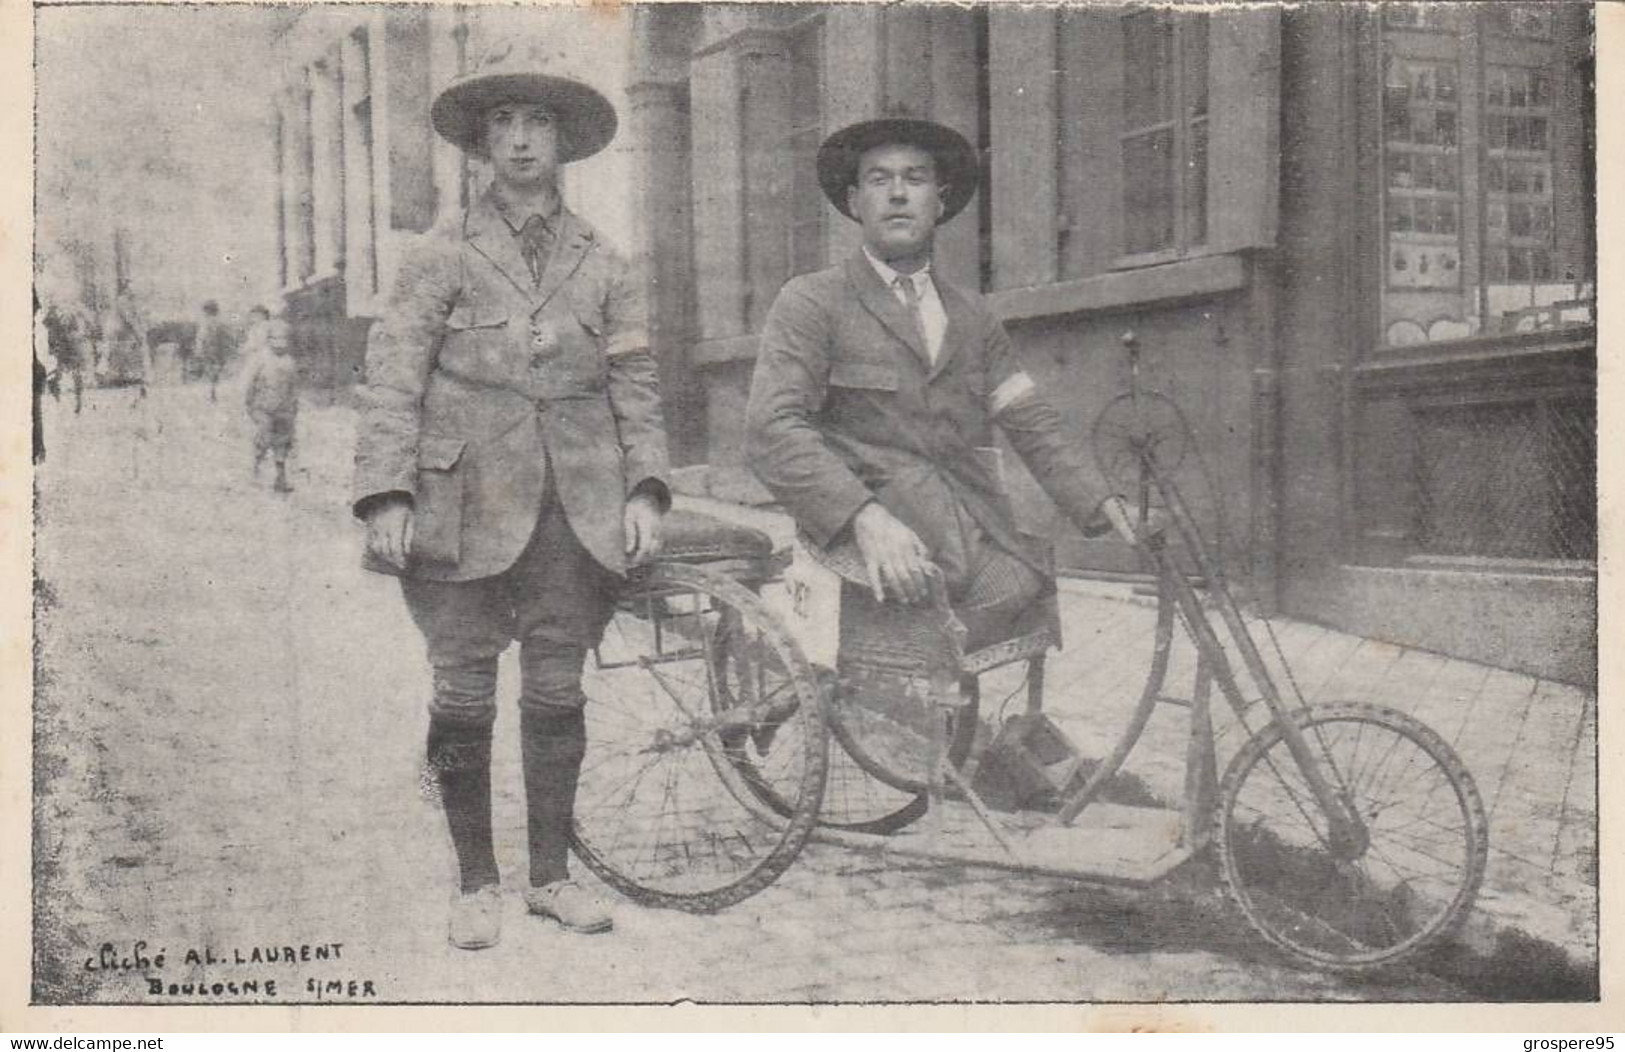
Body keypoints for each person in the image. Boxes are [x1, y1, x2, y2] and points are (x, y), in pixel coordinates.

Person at [351, 40, 668, 950]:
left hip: (576, 506)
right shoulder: (438, 254)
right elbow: (391, 377)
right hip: (459, 509)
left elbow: (635, 382)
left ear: (564, 140)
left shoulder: (604, 260)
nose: (521, 140)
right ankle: (475, 883)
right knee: (461, 694)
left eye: (538, 122)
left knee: (558, 691)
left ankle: (551, 878)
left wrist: (644, 490)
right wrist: (386, 494)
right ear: (479, 143)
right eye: (503, 123)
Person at [746, 115, 1148, 657]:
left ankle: (977, 733)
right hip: (859, 535)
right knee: (903, 661)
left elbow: (1029, 419)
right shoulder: (813, 301)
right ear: (854, 201)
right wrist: (862, 517)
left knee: (1024, 597)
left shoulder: (970, 315)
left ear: (940, 201)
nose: (896, 195)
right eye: (878, 180)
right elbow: (773, 429)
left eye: (914, 179)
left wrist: (1103, 503)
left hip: (962, 527)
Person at [243, 317, 299, 493]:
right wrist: (250, 405)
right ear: (269, 340)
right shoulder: (260, 359)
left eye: (283, 338)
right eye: (275, 338)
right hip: (263, 407)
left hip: (284, 409)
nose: (280, 342)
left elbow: (293, 386)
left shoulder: (290, 361)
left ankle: (280, 479)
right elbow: (249, 383)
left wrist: (294, 406)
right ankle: (255, 470)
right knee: (264, 438)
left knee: (282, 442)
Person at [197, 300, 232, 401]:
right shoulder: (219, 322)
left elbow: (201, 337)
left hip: (209, 349)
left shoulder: (205, 322)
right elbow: (226, 338)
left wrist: (199, 349)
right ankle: (212, 391)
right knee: (215, 371)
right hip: (217, 350)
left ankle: (211, 392)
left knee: (210, 370)